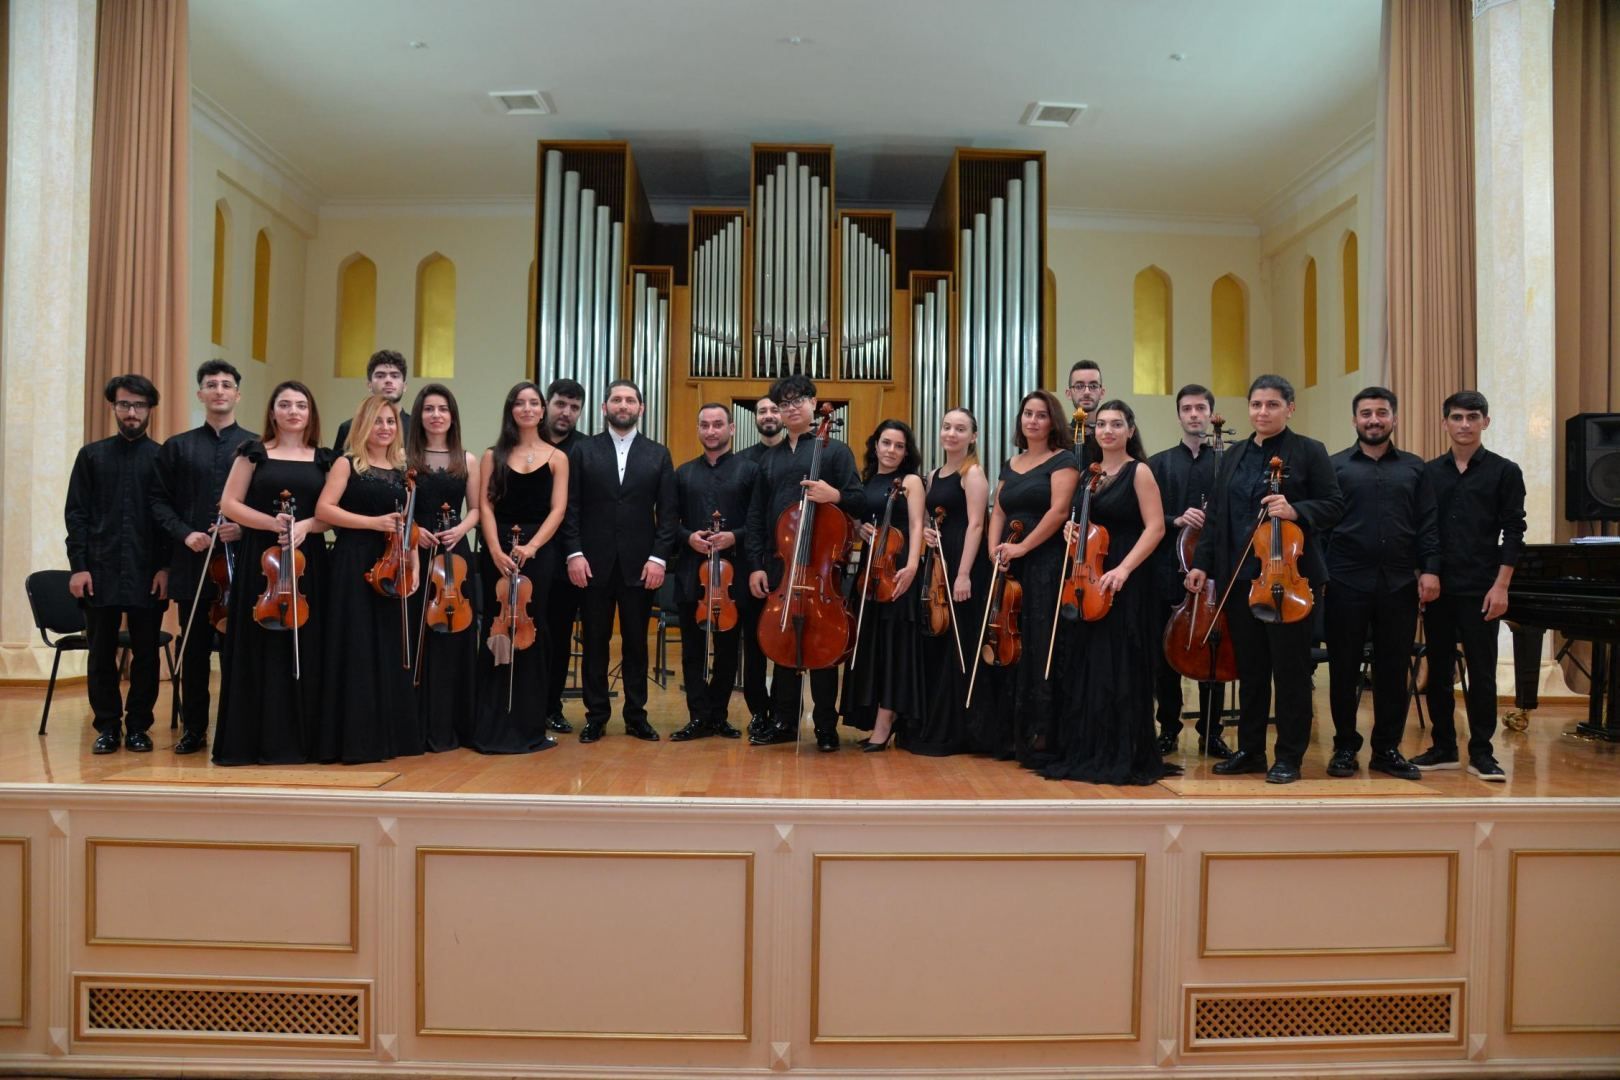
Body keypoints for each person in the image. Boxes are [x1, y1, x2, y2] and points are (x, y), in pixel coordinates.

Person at [1186, 375, 1344, 784]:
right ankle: (1251, 750)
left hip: (1288, 581)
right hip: (1241, 579)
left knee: (1290, 671)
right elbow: (1217, 517)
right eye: (1256, 404)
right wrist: (1203, 564)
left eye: (1272, 405)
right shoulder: (1234, 456)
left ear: (1290, 408)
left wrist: (1296, 511)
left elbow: (1333, 505)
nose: (1262, 412)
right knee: (1251, 669)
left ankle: (1289, 755)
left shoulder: (1309, 451)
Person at [1038, 400, 1168, 784]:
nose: (1108, 430)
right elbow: (1083, 525)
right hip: (1089, 581)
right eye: (1102, 424)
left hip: (1124, 580)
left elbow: (1156, 528)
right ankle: (1089, 748)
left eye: (1116, 424)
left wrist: (1124, 570)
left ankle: (1122, 753)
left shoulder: (1139, 471)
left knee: (1120, 667)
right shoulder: (1088, 475)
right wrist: (1070, 533)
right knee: (1088, 666)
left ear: (1130, 430)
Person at [745, 373, 867, 751]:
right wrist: (757, 564)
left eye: (799, 400)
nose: (791, 408)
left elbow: (859, 499)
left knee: (823, 646)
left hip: (821, 564)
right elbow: (755, 516)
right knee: (783, 640)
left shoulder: (835, 451)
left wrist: (835, 495)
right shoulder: (769, 458)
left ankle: (826, 726)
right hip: (782, 563)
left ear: (814, 404)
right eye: (784, 403)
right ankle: (784, 720)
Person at [1323, 388, 1438, 781]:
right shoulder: (1334, 467)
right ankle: (1343, 747)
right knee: (1343, 669)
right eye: (1366, 413)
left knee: (1393, 670)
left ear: (1394, 419)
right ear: (1354, 420)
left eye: (1382, 413)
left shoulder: (1415, 468)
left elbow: (1428, 525)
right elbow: (1320, 528)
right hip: (1344, 583)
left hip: (1399, 584)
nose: (1374, 420)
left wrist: (1430, 569)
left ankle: (1387, 749)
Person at [215, 381, 332, 765]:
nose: (293, 411)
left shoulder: (325, 459)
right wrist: (272, 523)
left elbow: (330, 514)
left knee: (307, 647)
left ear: (311, 413)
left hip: (306, 560)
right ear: (272, 412)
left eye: (301, 404)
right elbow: (229, 504)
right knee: (259, 645)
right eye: (285, 404)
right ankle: (253, 740)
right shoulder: (253, 453)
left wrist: (306, 526)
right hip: (261, 560)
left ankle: (304, 741)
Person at [1414, 390, 1526, 782]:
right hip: (1439, 586)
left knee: (1483, 672)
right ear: (1444, 423)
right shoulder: (1428, 472)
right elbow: (1422, 530)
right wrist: (1423, 576)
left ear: (1485, 422)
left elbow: (1514, 531)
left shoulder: (1504, 471)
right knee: (1439, 668)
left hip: (1482, 586)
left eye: (1472, 417)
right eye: (1457, 417)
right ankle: (1443, 746)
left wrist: (1502, 586)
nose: (1464, 424)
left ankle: (1482, 753)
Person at [149, 360, 257, 755]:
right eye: (211, 384)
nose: (219, 390)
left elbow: (264, 503)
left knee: (237, 652)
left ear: (237, 395)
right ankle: (194, 729)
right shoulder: (177, 446)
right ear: (201, 394)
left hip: (241, 566)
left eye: (227, 384)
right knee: (193, 651)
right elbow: (158, 502)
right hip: (192, 565)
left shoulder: (255, 446)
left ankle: (236, 727)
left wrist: (242, 529)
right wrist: (185, 533)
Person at [563, 379, 677, 743]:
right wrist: (574, 553)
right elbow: (571, 507)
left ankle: (636, 715)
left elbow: (668, 513)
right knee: (594, 641)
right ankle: (596, 716)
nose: (623, 405)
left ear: (641, 408)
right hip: (591, 564)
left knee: (635, 643)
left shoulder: (658, 454)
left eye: (630, 400)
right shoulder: (583, 451)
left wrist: (659, 558)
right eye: (616, 399)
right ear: (604, 407)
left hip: (641, 565)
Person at [64, 374, 169, 754]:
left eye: (139, 405)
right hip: (99, 570)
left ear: (150, 410)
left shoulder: (162, 458)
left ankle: (139, 726)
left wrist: (166, 568)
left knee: (146, 654)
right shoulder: (91, 456)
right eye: (124, 404)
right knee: (101, 653)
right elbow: (76, 514)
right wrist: (78, 566)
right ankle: (106, 727)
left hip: (148, 572)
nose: (131, 412)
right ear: (113, 408)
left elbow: (167, 521)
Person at [315, 395, 421, 764]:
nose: (385, 428)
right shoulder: (347, 464)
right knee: (356, 644)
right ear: (363, 425)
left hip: (391, 564)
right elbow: (324, 510)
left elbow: (408, 525)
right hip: (353, 560)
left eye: (391, 422)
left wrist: (415, 565)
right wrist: (372, 523)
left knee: (387, 647)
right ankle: (354, 739)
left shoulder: (402, 470)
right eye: (378, 421)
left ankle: (386, 735)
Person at [978, 389, 1079, 763]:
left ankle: (1043, 732)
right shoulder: (1012, 461)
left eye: (1041, 415)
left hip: (1045, 562)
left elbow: (1058, 512)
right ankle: (1010, 732)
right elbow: (999, 510)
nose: (1032, 420)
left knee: (1038, 643)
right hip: (1011, 561)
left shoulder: (1063, 460)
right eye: (1027, 414)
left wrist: (1022, 548)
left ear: (1053, 421)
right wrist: (994, 548)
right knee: (1009, 645)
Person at [469, 382, 569, 754]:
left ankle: (529, 723)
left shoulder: (558, 458)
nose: (527, 408)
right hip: (498, 548)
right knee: (497, 630)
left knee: (532, 629)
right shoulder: (492, 455)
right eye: (519, 403)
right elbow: (486, 506)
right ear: (511, 410)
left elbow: (557, 510)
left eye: (534, 403)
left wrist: (532, 546)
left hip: (538, 552)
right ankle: (491, 723)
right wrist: (495, 550)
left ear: (542, 411)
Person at [1146, 384, 1229, 759]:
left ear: (1212, 414)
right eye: (1187, 409)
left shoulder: (1227, 462)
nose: (1194, 414)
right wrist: (1175, 518)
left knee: (1215, 652)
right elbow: (1143, 516)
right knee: (1168, 655)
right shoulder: (1158, 463)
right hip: (1168, 571)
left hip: (1215, 575)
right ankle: (1168, 728)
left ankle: (1212, 733)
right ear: (1178, 415)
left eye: (1200, 408)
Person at [669, 404, 758, 741]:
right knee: (692, 649)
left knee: (726, 649)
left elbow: (757, 521)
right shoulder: (683, 473)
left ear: (731, 429)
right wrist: (688, 537)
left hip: (733, 574)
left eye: (718, 424)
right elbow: (669, 522)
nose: (711, 431)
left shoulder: (749, 471)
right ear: (698, 429)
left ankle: (718, 715)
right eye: (704, 425)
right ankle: (697, 716)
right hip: (694, 573)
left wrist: (733, 535)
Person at [841, 420, 927, 750]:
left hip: (899, 566)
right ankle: (875, 715)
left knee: (894, 648)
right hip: (871, 570)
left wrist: (912, 565)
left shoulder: (910, 481)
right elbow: (861, 514)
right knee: (873, 647)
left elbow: (918, 524)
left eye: (899, 445)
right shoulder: (866, 482)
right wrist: (859, 525)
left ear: (907, 452)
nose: (891, 450)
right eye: (886, 443)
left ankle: (886, 721)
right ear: (875, 445)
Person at [405, 383, 481, 752]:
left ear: (453, 416)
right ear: (419, 415)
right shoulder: (405, 458)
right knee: (418, 638)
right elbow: (399, 506)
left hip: (455, 554)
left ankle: (453, 723)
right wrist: (415, 532)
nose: (436, 415)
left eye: (443, 409)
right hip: (416, 553)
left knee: (454, 637)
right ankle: (416, 723)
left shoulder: (466, 459)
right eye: (429, 409)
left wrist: (460, 529)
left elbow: (478, 510)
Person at [909, 407, 989, 757]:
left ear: (972, 436)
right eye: (946, 427)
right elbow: (930, 517)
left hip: (962, 561)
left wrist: (964, 573)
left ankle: (961, 730)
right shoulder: (933, 473)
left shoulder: (973, 474)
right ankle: (937, 721)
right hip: (939, 560)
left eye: (960, 429)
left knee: (961, 643)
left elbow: (976, 524)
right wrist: (928, 532)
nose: (951, 433)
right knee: (939, 643)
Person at [538, 378, 586, 735]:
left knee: (558, 634)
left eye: (573, 407)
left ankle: (551, 705)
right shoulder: (524, 440)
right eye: (560, 404)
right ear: (547, 403)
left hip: (566, 557)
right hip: (526, 552)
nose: (566, 412)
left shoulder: (584, 450)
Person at [738, 395, 785, 739]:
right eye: (762, 411)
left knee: (784, 641)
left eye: (774, 409)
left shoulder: (801, 456)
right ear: (754, 418)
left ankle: (784, 713)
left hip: (790, 564)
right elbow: (749, 519)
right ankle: (759, 711)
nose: (768, 415)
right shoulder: (743, 462)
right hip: (754, 564)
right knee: (754, 643)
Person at [332, 350, 410, 453]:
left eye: (395, 376)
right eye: (380, 376)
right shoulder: (349, 428)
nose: (388, 380)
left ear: (404, 386)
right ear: (369, 385)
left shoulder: (418, 428)